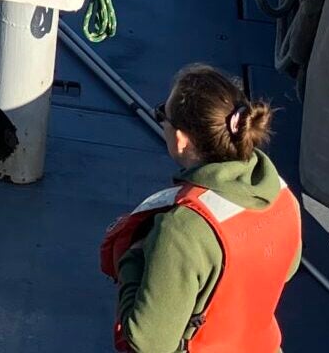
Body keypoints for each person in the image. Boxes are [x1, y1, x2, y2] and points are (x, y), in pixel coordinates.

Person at [101, 63, 302, 353]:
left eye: (163, 115)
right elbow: (288, 268)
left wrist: (132, 261)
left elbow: (150, 342)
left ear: (182, 140)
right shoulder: (281, 195)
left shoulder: (181, 230)